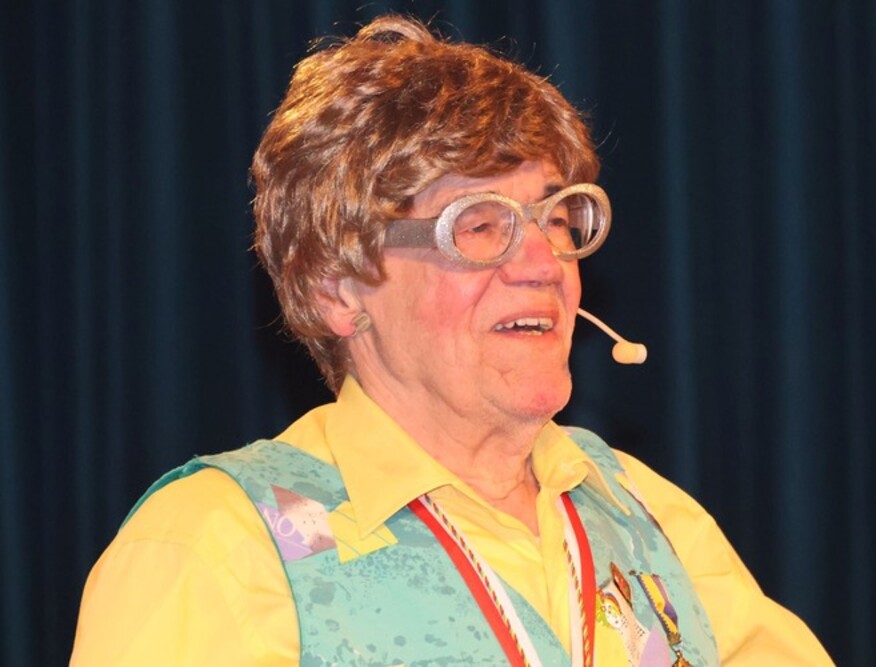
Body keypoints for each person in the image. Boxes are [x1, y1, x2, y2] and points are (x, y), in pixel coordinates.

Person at [72, 15, 832, 666]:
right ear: (336, 288)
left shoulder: (647, 514)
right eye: (478, 225)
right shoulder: (214, 545)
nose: (544, 263)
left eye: (557, 216)